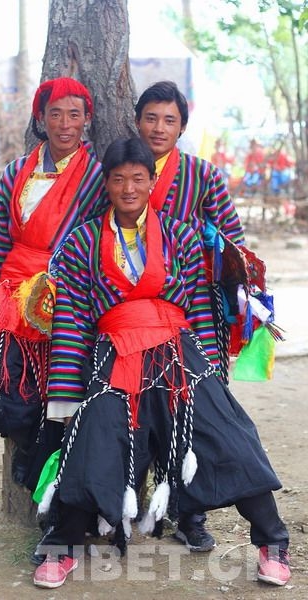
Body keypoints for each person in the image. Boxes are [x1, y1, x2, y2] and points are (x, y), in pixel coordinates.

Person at [32, 137, 290, 590]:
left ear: (152, 182)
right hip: (115, 358)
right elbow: (72, 323)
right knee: (92, 443)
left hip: (179, 355)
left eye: (138, 177)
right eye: (118, 179)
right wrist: (66, 394)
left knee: (229, 438)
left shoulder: (181, 236)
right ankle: (60, 546)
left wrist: (212, 374)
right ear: (106, 184)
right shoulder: (81, 245)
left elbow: (200, 313)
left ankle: (273, 543)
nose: (128, 187)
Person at [0, 77, 109, 489]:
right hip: (12, 290)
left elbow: (100, 239)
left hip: (68, 293)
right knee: (3, 381)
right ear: (40, 119)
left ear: (87, 120)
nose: (64, 124)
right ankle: (26, 447)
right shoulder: (14, 173)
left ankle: (46, 461)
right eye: (55, 114)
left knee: (59, 386)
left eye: (74, 115)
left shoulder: (97, 177)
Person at [134, 80, 246, 552]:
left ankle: (191, 512)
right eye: (151, 118)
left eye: (170, 120)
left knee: (195, 404)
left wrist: (199, 245)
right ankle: (134, 503)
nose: (159, 128)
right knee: (139, 401)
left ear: (182, 126)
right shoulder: (122, 170)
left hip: (195, 308)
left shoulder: (203, 175)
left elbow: (234, 244)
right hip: (134, 308)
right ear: (136, 120)